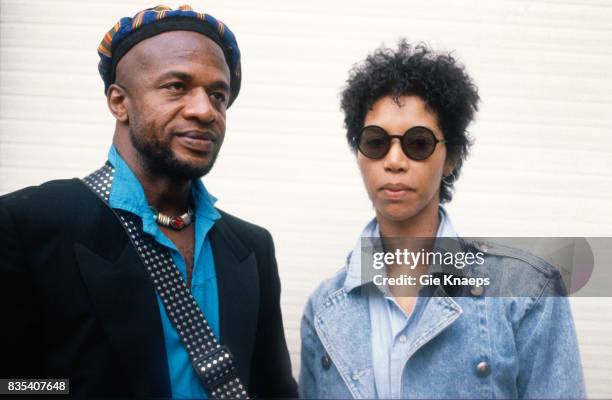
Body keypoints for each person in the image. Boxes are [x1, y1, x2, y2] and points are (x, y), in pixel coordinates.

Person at [0, 5, 296, 399]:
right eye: (177, 86)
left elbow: (274, 390)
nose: (205, 110)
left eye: (218, 95)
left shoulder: (253, 246)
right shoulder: (26, 223)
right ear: (119, 102)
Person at [299, 41, 586, 399]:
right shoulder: (324, 310)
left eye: (418, 143)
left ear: (450, 159)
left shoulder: (527, 293)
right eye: (375, 142)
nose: (394, 160)